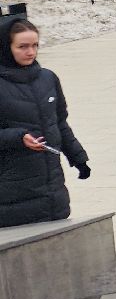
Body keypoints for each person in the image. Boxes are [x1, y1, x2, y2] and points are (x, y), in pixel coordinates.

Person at [0, 16, 90, 228]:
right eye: (22, 46)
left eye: (35, 45)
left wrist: (78, 157)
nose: (30, 52)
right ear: (5, 46)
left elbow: (59, 122)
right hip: (11, 190)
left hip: (52, 187)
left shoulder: (48, 78)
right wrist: (18, 138)